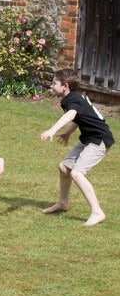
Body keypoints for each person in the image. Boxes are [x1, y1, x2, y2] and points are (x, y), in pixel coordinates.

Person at [40, 68, 114, 226]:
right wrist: (67, 133)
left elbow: (71, 114)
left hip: (99, 140)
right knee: (64, 167)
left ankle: (97, 212)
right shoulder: (72, 98)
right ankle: (63, 203)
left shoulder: (71, 100)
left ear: (65, 86)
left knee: (77, 173)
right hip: (88, 138)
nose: (51, 86)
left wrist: (53, 130)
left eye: (54, 83)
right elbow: (80, 116)